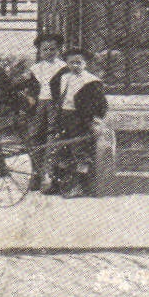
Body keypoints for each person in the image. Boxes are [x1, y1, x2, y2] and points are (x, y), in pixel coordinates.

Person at [50, 47, 107, 198]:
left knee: (79, 151)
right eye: (71, 63)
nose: (75, 66)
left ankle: (80, 186)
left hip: (79, 119)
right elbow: (54, 88)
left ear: (85, 63)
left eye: (79, 62)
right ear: (66, 64)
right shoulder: (64, 78)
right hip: (64, 117)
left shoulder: (91, 81)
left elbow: (101, 104)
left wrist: (95, 119)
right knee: (62, 149)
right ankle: (58, 184)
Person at [23, 32, 66, 192]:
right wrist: (30, 97)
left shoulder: (63, 68)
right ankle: (37, 173)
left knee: (53, 135)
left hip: (55, 104)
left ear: (59, 50)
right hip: (38, 105)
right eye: (45, 50)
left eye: (52, 49)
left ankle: (50, 174)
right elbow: (31, 88)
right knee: (34, 135)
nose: (49, 53)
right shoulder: (36, 69)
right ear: (39, 51)